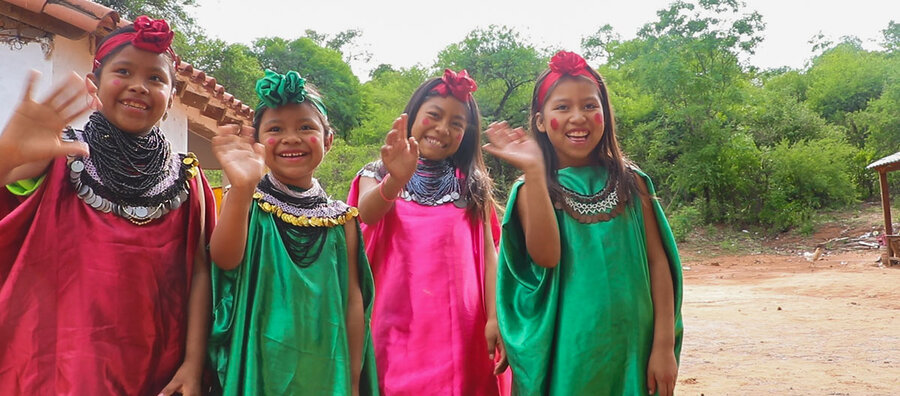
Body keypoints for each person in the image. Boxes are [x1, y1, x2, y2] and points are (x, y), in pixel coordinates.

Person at [0, 16, 215, 395]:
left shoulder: (189, 178)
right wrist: (7, 153)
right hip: (64, 362)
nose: (138, 86)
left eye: (156, 78)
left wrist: (193, 363)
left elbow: (201, 272)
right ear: (94, 84)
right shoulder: (60, 150)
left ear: (170, 100)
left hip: (158, 362)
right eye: (124, 71)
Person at [483, 51, 684, 396]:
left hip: (632, 346)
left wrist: (663, 346)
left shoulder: (631, 182)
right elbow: (546, 257)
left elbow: (657, 262)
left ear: (605, 114)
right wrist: (533, 170)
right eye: (562, 107)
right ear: (541, 121)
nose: (579, 117)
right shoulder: (533, 188)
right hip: (569, 351)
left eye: (590, 106)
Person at [207, 70, 378, 395]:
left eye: (305, 127)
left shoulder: (343, 220)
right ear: (258, 143)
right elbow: (223, 259)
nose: (291, 138)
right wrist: (242, 188)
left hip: (327, 368)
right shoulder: (245, 199)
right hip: (260, 365)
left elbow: (353, 303)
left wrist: (353, 380)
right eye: (275, 129)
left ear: (328, 140)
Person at [348, 69, 510, 395]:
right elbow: (365, 213)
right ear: (412, 116)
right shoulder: (377, 172)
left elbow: (490, 256)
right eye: (433, 115)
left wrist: (495, 318)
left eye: (456, 124)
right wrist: (395, 179)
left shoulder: (473, 185)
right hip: (391, 324)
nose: (442, 129)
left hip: (460, 331)